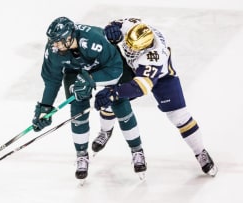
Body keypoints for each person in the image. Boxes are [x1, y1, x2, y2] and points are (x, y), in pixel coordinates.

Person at [93, 17, 218, 176]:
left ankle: (200, 152)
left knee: (179, 116)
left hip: (161, 78)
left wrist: (114, 92)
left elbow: (140, 87)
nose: (129, 49)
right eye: (128, 44)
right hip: (133, 68)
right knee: (110, 104)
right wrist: (111, 29)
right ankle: (105, 131)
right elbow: (115, 24)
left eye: (134, 48)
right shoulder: (133, 27)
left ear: (145, 48)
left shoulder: (154, 57)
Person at [32, 16, 147, 182]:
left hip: (109, 66)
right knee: (77, 104)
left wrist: (91, 79)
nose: (54, 45)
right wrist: (45, 108)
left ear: (69, 38)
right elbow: (52, 80)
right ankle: (81, 155)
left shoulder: (95, 39)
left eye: (58, 41)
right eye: (52, 41)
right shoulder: (53, 50)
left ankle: (137, 150)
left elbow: (116, 69)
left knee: (119, 101)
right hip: (76, 71)